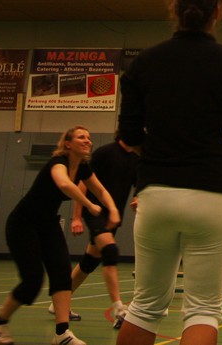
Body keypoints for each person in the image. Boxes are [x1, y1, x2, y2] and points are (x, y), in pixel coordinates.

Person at [116, 0, 222, 345]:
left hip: (156, 194)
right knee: (204, 309)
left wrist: (159, 157)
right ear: (217, 12)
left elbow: (129, 134)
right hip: (212, 195)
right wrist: (213, 160)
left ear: (174, 10)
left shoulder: (145, 62)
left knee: (144, 306)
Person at [0, 125, 120, 345]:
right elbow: (64, 184)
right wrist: (88, 205)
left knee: (62, 273)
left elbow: (100, 190)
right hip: (23, 224)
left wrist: (113, 209)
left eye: (89, 137)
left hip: (48, 223)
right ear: (68, 143)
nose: (87, 141)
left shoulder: (83, 167)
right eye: (81, 137)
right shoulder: (58, 163)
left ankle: (62, 333)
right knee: (32, 281)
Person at [65, 131, 140, 329]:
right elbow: (83, 184)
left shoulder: (135, 159)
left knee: (89, 262)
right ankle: (119, 309)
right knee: (110, 251)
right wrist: (77, 217)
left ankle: (60, 302)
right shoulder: (105, 153)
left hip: (113, 217)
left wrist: (137, 199)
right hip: (94, 211)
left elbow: (138, 187)